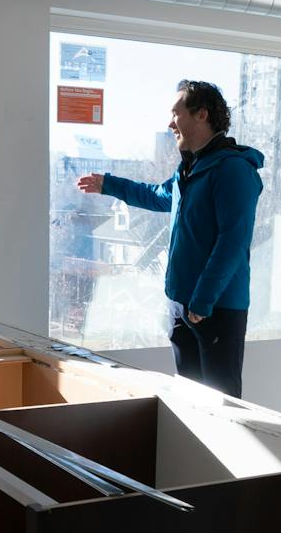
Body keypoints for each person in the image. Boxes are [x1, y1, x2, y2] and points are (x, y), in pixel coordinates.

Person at [76, 79, 264, 397]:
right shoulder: (189, 171)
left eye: (176, 113)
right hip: (181, 306)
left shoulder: (233, 170)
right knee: (189, 400)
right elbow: (157, 196)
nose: (170, 122)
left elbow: (232, 242)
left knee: (223, 405)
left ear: (201, 114)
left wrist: (202, 301)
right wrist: (108, 184)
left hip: (216, 309)